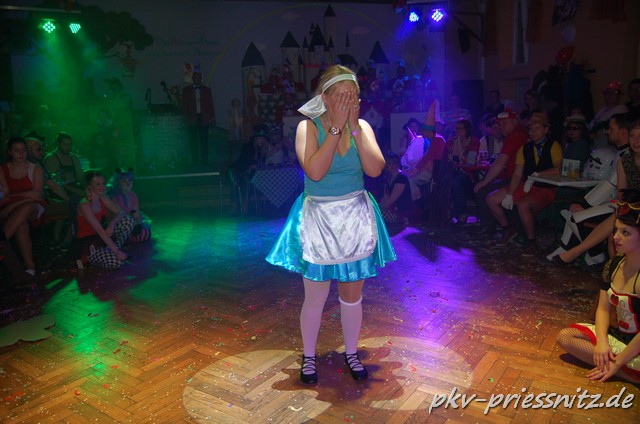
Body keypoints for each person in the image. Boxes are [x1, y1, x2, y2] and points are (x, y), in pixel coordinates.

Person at [265, 65, 396, 384]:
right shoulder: (307, 128)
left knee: (352, 294)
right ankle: (309, 357)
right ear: (325, 98)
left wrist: (353, 128)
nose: (349, 101)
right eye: (341, 95)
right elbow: (315, 172)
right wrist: (336, 129)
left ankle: (352, 353)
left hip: (354, 216)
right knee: (316, 296)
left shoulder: (362, 126)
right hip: (319, 219)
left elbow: (375, 169)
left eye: (353, 95)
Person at [555, 189, 640, 384]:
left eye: (625, 233)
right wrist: (601, 342)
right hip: (620, 337)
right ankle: (624, 371)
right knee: (566, 337)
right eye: (615, 230)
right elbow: (603, 308)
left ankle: (618, 369)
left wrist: (618, 362)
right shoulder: (613, 265)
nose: (616, 237)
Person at [551, 116, 635, 266]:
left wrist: (585, 204)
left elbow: (612, 185)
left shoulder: (627, 156)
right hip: (617, 201)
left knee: (575, 217)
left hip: (626, 205)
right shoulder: (623, 156)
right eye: (634, 136)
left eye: (611, 129)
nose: (607, 132)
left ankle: (593, 255)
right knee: (574, 214)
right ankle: (584, 253)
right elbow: (615, 188)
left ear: (623, 132)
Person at [487, 112, 563, 255]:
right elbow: (517, 173)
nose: (533, 132)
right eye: (531, 128)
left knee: (523, 205)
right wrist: (510, 194)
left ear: (546, 129)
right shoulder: (525, 148)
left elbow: (559, 169)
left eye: (537, 128)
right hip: (527, 184)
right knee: (492, 199)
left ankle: (531, 241)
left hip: (546, 187)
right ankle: (508, 229)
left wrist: (539, 174)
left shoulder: (553, 145)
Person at [472, 111, 528, 235]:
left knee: (482, 190)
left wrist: (484, 181)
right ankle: (494, 226)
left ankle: (495, 228)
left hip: (517, 180)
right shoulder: (519, 134)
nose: (501, 127)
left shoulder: (515, 136)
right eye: (500, 124)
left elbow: (500, 162)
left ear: (514, 122)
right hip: (515, 178)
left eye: (504, 123)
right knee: (485, 189)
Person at [0, 136, 45, 275]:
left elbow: (37, 196)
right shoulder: (3, 169)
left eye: (23, 150)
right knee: (21, 225)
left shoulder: (35, 169)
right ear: (10, 152)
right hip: (10, 207)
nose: (21, 154)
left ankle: (1, 242)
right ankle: (30, 267)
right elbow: (5, 195)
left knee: (27, 207)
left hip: (32, 207)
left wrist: (15, 201)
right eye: (17, 150)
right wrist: (25, 195)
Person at [75, 170, 134, 269]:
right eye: (98, 184)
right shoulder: (84, 205)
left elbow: (121, 212)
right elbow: (99, 230)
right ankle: (89, 259)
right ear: (90, 186)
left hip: (102, 239)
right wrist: (116, 252)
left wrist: (112, 224)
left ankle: (112, 250)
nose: (102, 187)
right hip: (89, 242)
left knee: (128, 220)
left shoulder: (102, 197)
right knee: (117, 262)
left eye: (103, 183)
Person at [42, 131, 85, 244]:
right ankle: (59, 237)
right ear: (58, 144)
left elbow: (80, 177)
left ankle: (68, 236)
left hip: (72, 187)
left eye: (70, 145)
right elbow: (55, 184)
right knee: (74, 202)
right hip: (56, 191)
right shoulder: (50, 158)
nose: (68, 147)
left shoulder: (73, 157)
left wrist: (86, 188)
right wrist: (78, 191)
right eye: (65, 144)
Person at [446, 119, 480, 223]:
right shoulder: (451, 142)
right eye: (456, 128)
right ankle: (446, 212)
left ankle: (461, 212)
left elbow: (470, 161)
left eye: (461, 128)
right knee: (449, 179)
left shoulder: (474, 142)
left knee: (458, 180)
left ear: (467, 129)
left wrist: (460, 145)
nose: (458, 130)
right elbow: (446, 159)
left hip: (468, 174)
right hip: (452, 171)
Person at [108, 168, 152, 244]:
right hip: (119, 225)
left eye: (130, 180)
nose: (128, 184)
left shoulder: (133, 195)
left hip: (131, 223)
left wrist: (138, 225)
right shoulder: (115, 197)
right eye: (124, 181)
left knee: (145, 232)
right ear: (118, 183)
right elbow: (113, 218)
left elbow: (136, 215)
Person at [182, 68, 216, 165]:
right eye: (195, 77)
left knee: (204, 140)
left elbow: (210, 104)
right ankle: (195, 162)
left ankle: (204, 162)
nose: (197, 79)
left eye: (199, 77)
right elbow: (184, 105)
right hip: (192, 118)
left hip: (203, 117)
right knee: (193, 141)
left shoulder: (206, 90)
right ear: (193, 78)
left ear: (201, 78)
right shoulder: (186, 90)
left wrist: (212, 118)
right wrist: (185, 119)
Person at [589, 80, 629, 149]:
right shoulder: (601, 110)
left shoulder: (621, 109)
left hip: (609, 145)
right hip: (596, 144)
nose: (611, 95)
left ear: (619, 95)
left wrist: (597, 133)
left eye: (615, 93)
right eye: (608, 92)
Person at [379, 153, 415, 225]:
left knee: (376, 214)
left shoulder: (401, 178)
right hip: (392, 208)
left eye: (394, 163)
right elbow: (385, 197)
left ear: (398, 164)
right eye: (390, 163)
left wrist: (378, 208)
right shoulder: (389, 177)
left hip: (400, 212)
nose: (392, 165)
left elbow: (392, 199)